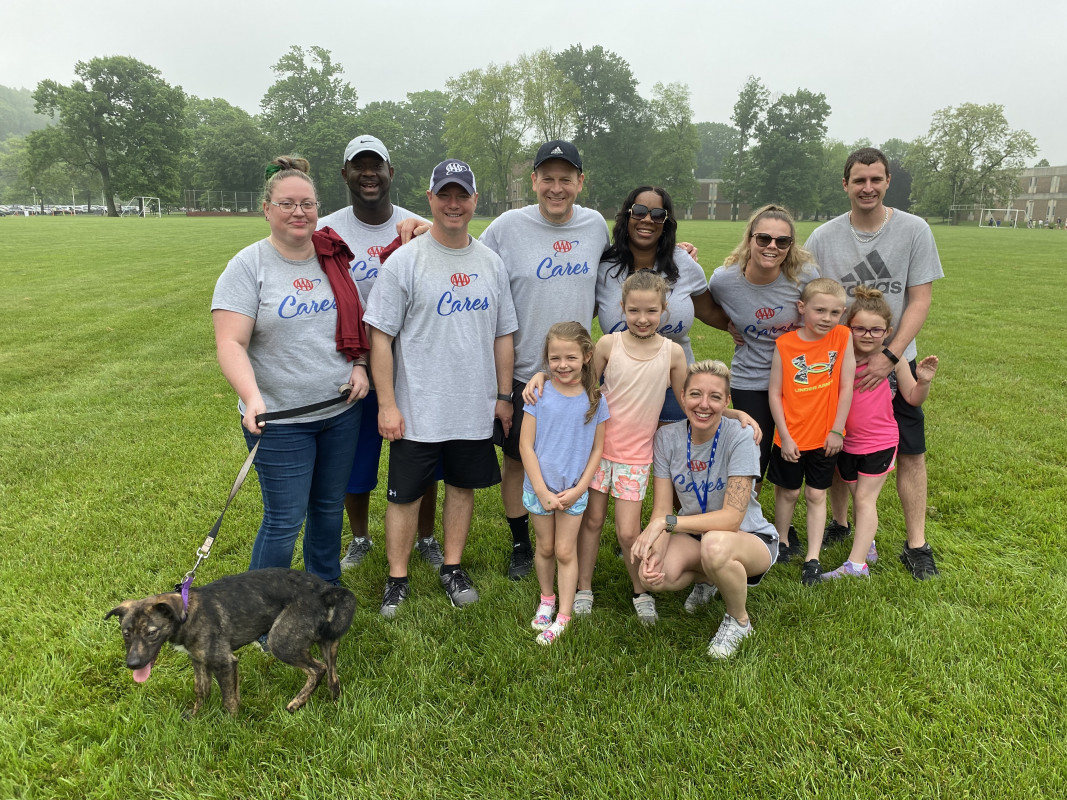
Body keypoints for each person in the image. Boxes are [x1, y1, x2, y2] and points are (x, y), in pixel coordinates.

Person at [364, 159, 517, 616]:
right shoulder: (405, 262)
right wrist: (387, 404)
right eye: (444, 195)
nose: (454, 204)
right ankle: (397, 576)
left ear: (474, 200)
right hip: (418, 408)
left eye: (462, 195)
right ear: (430, 199)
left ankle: (452, 566)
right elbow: (380, 338)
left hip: (472, 406)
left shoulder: (490, 263)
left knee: (462, 488)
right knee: (405, 494)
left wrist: (504, 396)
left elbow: (503, 335)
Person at [211, 156, 369, 585]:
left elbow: (355, 322)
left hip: (339, 411)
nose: (299, 212)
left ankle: (323, 592)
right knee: (284, 518)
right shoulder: (248, 266)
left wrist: (359, 365)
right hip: (279, 420)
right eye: (287, 204)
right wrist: (254, 398)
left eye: (307, 203)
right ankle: (259, 613)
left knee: (328, 507)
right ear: (267, 209)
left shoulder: (333, 258)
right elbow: (230, 342)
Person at [805, 147, 945, 580]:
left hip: (896, 353)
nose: (868, 187)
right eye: (859, 180)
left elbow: (920, 299)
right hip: (840, 363)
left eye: (876, 179)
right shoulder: (824, 237)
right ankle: (842, 523)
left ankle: (916, 544)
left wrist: (891, 355)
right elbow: (801, 291)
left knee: (909, 451)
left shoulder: (914, 229)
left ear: (887, 183)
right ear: (845, 184)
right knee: (842, 445)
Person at [479, 140, 611, 581]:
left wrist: (677, 248)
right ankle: (522, 542)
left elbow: (618, 272)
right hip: (524, 372)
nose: (557, 187)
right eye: (548, 178)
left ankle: (568, 530)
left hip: (577, 371)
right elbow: (469, 259)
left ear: (580, 182)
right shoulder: (506, 227)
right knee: (520, 457)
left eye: (566, 179)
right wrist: (422, 228)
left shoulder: (595, 226)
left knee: (574, 452)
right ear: (533, 181)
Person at [529, 270, 687, 624]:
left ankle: (640, 589)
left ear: (664, 309)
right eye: (633, 311)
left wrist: (733, 414)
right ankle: (584, 587)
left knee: (629, 531)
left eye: (650, 311)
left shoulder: (672, 354)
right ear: (621, 308)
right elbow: (578, 382)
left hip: (636, 457)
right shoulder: (608, 345)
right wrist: (542, 375)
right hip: (597, 452)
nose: (642, 319)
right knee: (592, 520)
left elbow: (687, 400)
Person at [317, 134, 442, 571]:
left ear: (391, 172)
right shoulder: (327, 230)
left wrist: (432, 231)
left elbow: (461, 252)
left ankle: (426, 538)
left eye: (377, 165)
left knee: (420, 456)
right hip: (355, 365)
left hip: (411, 365)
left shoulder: (415, 225)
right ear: (345, 173)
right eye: (359, 165)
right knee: (356, 460)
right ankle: (361, 538)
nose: (368, 173)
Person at [629, 360, 778, 659]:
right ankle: (710, 579)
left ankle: (739, 621)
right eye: (695, 394)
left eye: (715, 397)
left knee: (715, 543)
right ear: (682, 396)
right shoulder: (666, 438)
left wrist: (667, 524)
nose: (704, 404)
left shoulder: (741, 436)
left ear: (727, 401)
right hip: (696, 534)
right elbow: (661, 508)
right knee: (654, 576)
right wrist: (657, 546)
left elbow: (732, 518)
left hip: (748, 538)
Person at [823, 286, 940, 579]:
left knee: (864, 500)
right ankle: (868, 543)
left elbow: (912, 397)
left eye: (876, 330)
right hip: (846, 442)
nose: (867, 335)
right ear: (848, 328)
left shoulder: (895, 360)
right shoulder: (839, 356)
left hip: (880, 441)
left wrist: (923, 381)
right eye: (859, 328)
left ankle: (856, 565)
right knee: (855, 493)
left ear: (888, 332)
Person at [595, 186, 723, 423]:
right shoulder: (604, 269)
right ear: (627, 216)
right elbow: (578, 314)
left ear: (666, 223)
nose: (647, 220)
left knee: (675, 457)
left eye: (657, 215)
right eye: (639, 211)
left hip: (675, 384)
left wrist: (752, 326)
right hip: (619, 385)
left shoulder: (683, 263)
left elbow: (711, 312)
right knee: (622, 457)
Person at [519, 322, 609, 645]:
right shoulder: (538, 394)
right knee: (544, 547)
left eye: (570, 357)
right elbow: (525, 445)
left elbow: (598, 449)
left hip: (573, 490)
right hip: (539, 489)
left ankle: (564, 615)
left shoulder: (595, 400)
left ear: (586, 356)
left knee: (564, 550)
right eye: (554, 358)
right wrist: (541, 491)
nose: (562, 365)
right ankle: (547, 599)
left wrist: (581, 488)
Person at [767, 278, 855, 585]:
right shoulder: (785, 344)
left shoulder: (842, 337)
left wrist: (837, 430)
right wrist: (785, 436)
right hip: (790, 436)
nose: (826, 319)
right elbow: (775, 393)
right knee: (789, 492)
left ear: (842, 313)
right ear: (802, 308)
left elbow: (846, 387)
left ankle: (813, 558)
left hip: (825, 437)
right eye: (819, 310)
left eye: (834, 312)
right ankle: (781, 541)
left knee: (817, 493)